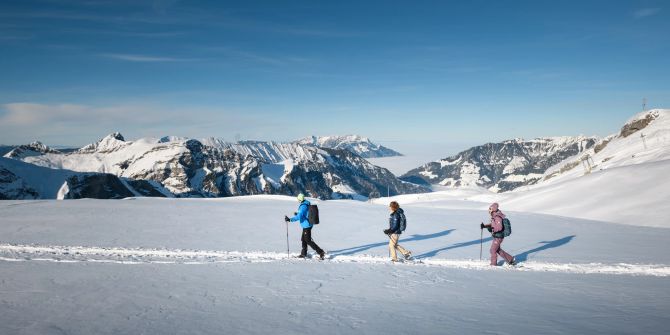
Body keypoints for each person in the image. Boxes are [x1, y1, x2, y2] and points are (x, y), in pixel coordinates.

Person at [285, 193, 325, 260]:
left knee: (308, 240)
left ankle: (320, 252)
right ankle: (303, 253)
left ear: (300, 199)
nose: (298, 200)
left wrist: (290, 219)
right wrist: (298, 213)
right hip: (307, 224)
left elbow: (299, 216)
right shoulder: (306, 203)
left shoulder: (303, 206)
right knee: (303, 239)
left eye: (298, 199)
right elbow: (304, 213)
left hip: (307, 225)